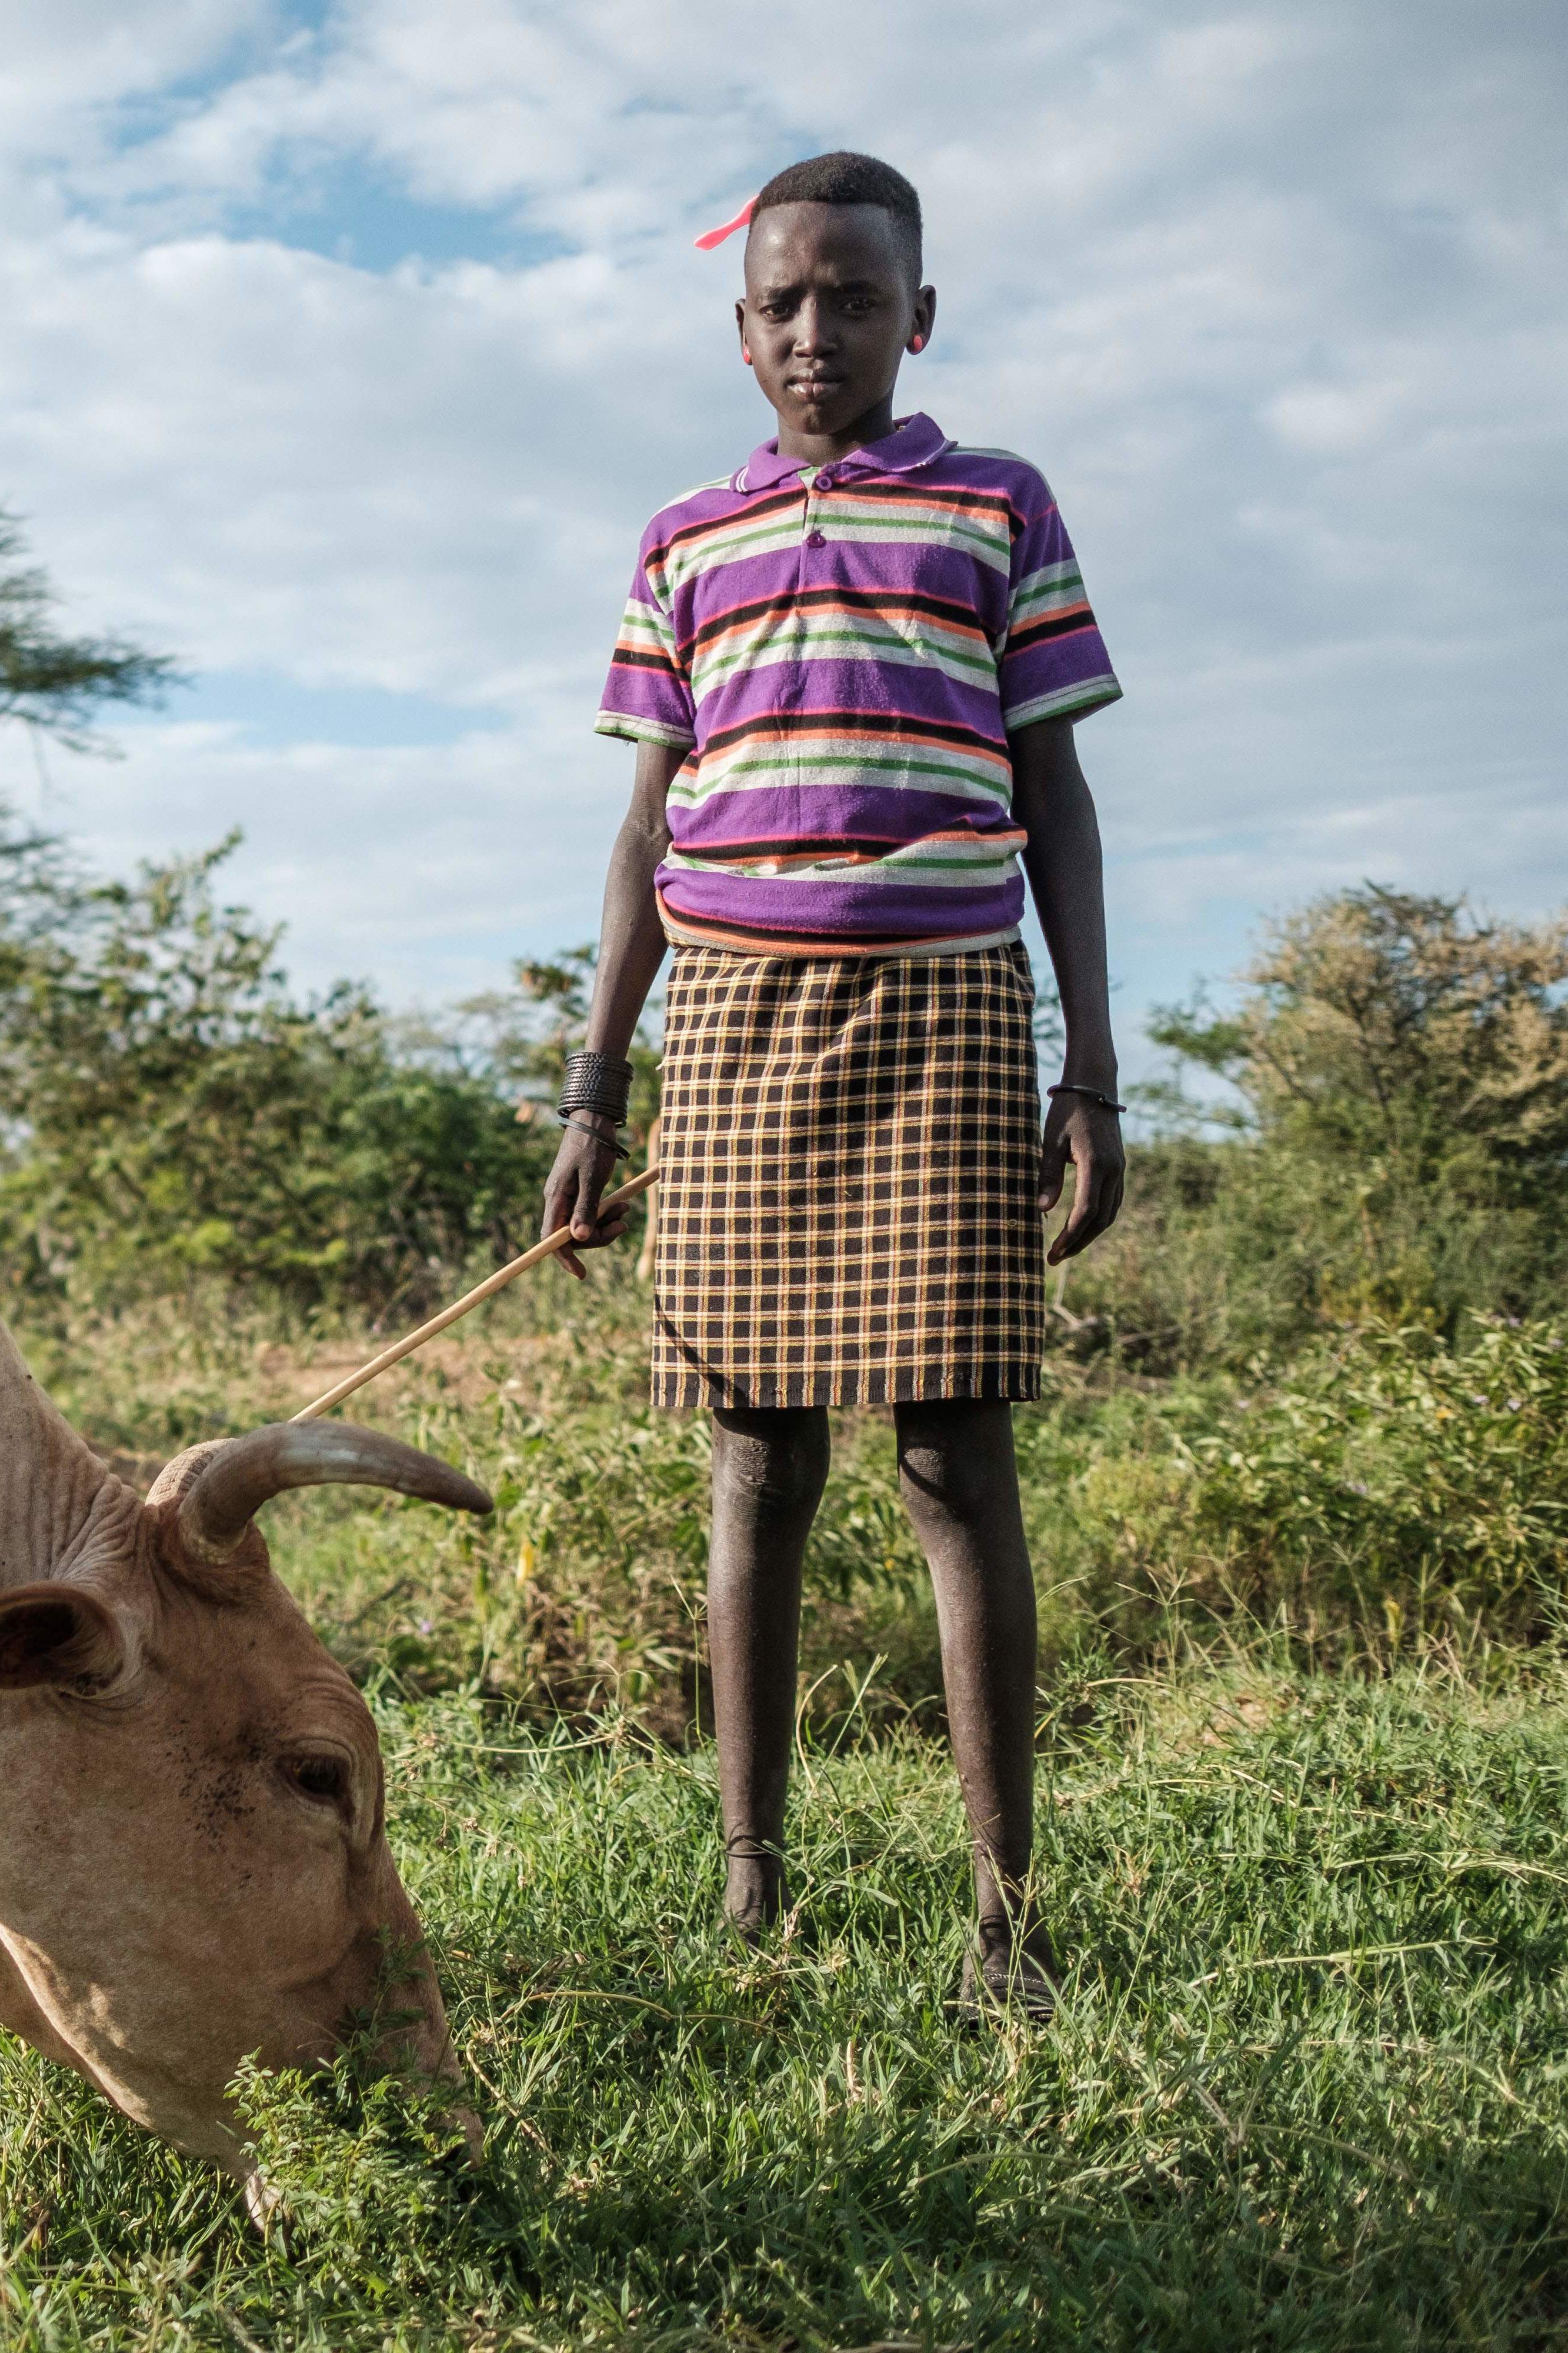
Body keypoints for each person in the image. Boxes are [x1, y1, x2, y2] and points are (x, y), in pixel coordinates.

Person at [541, 150, 1126, 2022]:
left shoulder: (995, 507)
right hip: (728, 1020)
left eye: (855, 302)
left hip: (953, 1008)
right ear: (740, 329)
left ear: (918, 318)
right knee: (753, 1458)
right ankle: (749, 1899)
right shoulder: (680, 539)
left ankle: (1007, 1916)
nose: (818, 333)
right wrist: (592, 1088)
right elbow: (643, 832)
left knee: (957, 1455)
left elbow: (1058, 802)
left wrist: (1094, 1068)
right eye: (785, 304)